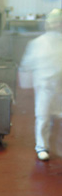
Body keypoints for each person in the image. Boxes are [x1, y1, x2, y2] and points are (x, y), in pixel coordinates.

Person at [19, 9, 62, 161]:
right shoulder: (37, 43)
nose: (56, 25)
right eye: (53, 22)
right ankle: (42, 146)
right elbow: (27, 64)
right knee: (43, 117)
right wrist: (26, 84)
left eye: (58, 22)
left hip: (60, 86)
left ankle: (58, 146)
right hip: (45, 86)